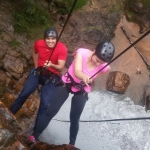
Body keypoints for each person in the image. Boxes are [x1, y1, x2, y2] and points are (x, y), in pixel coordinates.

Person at [29, 41, 115, 145]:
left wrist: (94, 77)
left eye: (100, 63)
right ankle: (34, 135)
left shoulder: (103, 65)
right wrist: (85, 77)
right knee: (51, 111)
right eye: (97, 60)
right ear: (94, 51)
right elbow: (77, 71)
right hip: (67, 82)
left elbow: (108, 69)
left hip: (82, 89)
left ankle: (71, 145)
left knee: (74, 118)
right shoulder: (82, 53)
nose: (98, 64)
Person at [10, 27, 67, 129]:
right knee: (24, 94)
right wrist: (36, 66)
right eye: (48, 38)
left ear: (56, 39)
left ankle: (34, 135)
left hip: (52, 77)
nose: (50, 41)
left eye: (53, 39)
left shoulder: (62, 48)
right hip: (39, 71)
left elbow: (61, 67)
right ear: (44, 39)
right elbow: (35, 52)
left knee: (44, 105)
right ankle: (9, 115)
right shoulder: (39, 43)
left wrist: (51, 65)